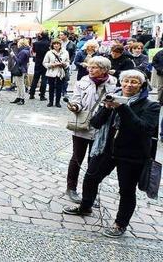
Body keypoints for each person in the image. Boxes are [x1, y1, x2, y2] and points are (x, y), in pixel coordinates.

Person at [63, 69, 160, 238]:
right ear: (121, 83)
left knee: (126, 190)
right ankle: (86, 206)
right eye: (126, 81)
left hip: (132, 154)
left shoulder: (150, 105)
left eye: (134, 82)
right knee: (91, 178)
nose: (129, 85)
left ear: (142, 85)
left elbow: (142, 129)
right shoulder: (112, 97)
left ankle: (120, 224)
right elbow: (95, 123)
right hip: (107, 148)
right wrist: (107, 108)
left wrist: (122, 108)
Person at [64, 56, 116, 203]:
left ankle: (89, 194)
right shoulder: (82, 82)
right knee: (77, 158)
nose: (90, 70)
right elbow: (76, 100)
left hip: (101, 127)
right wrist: (74, 106)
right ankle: (71, 188)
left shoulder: (113, 82)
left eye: (94, 67)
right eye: (89, 67)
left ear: (104, 69)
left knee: (94, 161)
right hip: (82, 124)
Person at [43, 40, 70, 108]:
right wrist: (52, 65)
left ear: (60, 45)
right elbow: (44, 63)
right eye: (54, 44)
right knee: (51, 88)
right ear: (52, 45)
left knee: (59, 88)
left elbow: (68, 62)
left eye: (57, 44)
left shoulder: (65, 52)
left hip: (60, 72)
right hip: (51, 72)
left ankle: (57, 102)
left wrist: (64, 64)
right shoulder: (49, 53)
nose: (56, 45)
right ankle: (51, 101)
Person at [29, 31, 50, 101]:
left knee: (35, 78)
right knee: (44, 79)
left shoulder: (36, 43)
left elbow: (34, 51)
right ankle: (42, 95)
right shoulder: (48, 43)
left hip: (38, 61)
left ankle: (32, 93)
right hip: (46, 62)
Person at [10, 39, 30, 105]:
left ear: (21, 44)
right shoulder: (25, 51)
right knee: (19, 84)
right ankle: (18, 97)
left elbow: (19, 61)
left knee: (20, 85)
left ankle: (22, 98)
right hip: (22, 69)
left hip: (20, 69)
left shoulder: (23, 52)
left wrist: (13, 56)